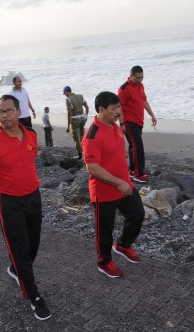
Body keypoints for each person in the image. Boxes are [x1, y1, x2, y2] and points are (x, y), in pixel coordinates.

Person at [0, 95, 51, 321]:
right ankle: (33, 295)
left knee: (34, 243)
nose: (5, 115)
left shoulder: (31, 134)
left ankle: (16, 268)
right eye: (1, 112)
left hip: (33, 197)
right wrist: (2, 192)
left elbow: (29, 161)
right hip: (9, 203)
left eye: (9, 110)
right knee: (20, 248)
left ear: (19, 112)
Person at [82, 91, 145, 279]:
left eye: (119, 107)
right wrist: (118, 182)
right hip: (104, 192)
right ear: (101, 110)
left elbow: (120, 122)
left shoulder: (114, 124)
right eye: (114, 109)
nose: (118, 112)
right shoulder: (92, 135)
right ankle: (104, 262)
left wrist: (122, 121)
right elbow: (92, 168)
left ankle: (123, 245)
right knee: (105, 232)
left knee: (138, 215)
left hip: (124, 186)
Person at [118, 65, 157, 183]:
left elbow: (144, 101)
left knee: (133, 146)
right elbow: (118, 107)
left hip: (139, 120)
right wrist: (121, 123)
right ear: (131, 76)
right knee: (137, 147)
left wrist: (152, 114)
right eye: (138, 78)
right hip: (129, 121)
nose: (140, 80)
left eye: (142, 77)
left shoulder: (140, 86)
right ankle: (138, 174)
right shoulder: (124, 89)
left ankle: (131, 171)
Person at [63, 86, 89, 159]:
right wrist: (86, 116)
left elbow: (69, 113)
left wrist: (68, 126)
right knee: (82, 136)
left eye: (64, 93)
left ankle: (80, 155)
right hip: (82, 118)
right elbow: (87, 107)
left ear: (66, 92)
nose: (64, 94)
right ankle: (86, 151)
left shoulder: (68, 99)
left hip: (75, 120)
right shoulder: (80, 96)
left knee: (76, 138)